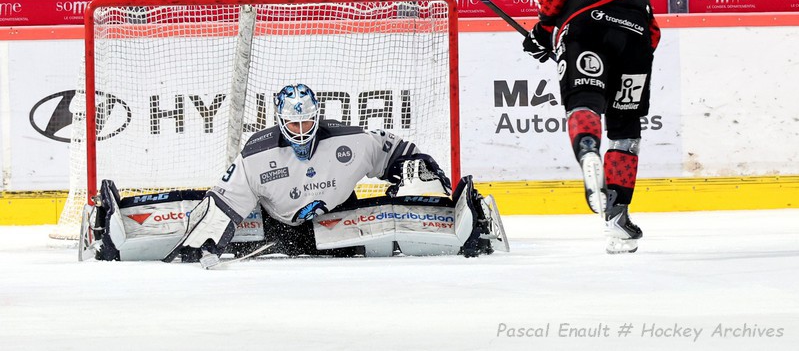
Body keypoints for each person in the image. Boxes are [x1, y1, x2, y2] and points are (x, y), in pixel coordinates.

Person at [81, 83, 508, 266]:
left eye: (309, 124)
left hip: (342, 226)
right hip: (275, 231)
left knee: (390, 237)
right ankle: (115, 228)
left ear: (317, 118)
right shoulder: (256, 154)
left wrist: (419, 170)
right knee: (202, 213)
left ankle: (464, 227)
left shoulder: (352, 139)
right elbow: (223, 205)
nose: (303, 132)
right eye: (294, 125)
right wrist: (201, 244)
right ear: (280, 121)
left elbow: (400, 153)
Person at [522, 0, 661, 254]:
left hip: (586, 27)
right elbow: (651, 20)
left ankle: (587, 153)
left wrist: (543, 34)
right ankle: (618, 220)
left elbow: (552, 2)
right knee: (626, 131)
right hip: (637, 37)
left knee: (583, 102)